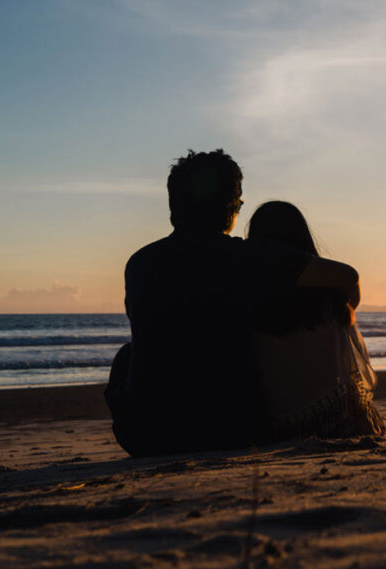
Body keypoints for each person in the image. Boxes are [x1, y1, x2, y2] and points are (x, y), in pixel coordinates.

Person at [105, 150, 361, 457]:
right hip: (232, 430)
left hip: (144, 435)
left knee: (128, 355)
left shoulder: (140, 264)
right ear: (230, 208)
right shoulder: (250, 257)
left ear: (173, 208)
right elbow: (347, 278)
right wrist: (341, 319)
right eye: (238, 203)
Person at [246, 201, 385, 439]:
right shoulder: (330, 299)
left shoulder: (248, 295)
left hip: (276, 418)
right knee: (343, 316)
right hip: (332, 412)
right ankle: (356, 416)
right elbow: (351, 283)